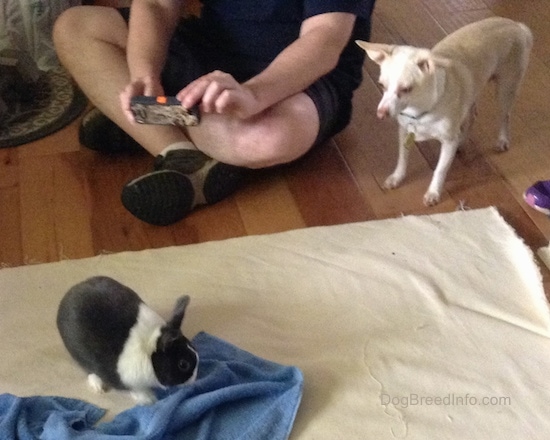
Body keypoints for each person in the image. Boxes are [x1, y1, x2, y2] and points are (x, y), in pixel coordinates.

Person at [53, 0, 376, 226]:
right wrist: (143, 73)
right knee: (76, 26)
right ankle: (180, 152)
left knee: (263, 139)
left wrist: (253, 95)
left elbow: (324, 40)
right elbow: (155, 5)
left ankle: (147, 124)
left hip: (297, 80)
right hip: (210, 54)